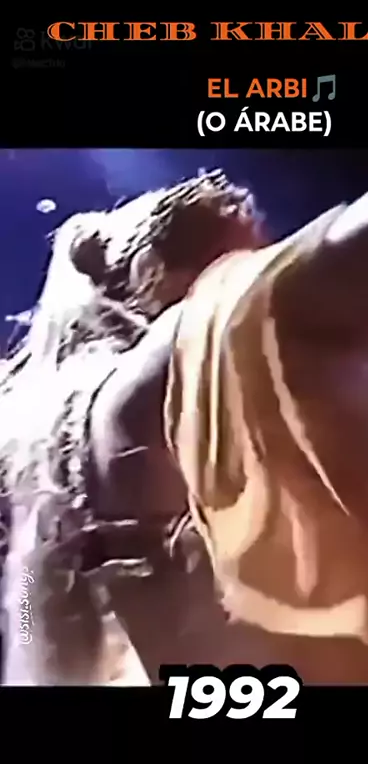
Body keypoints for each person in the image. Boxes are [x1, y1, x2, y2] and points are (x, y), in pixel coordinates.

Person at [3, 151, 368, 686]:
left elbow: (26, 628)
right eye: (248, 262)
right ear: (160, 275)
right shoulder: (186, 351)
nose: (260, 272)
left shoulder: (68, 459)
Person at [0, 170, 272, 685]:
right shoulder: (140, 401)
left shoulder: (52, 424)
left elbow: (26, 608)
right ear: (157, 277)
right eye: (235, 274)